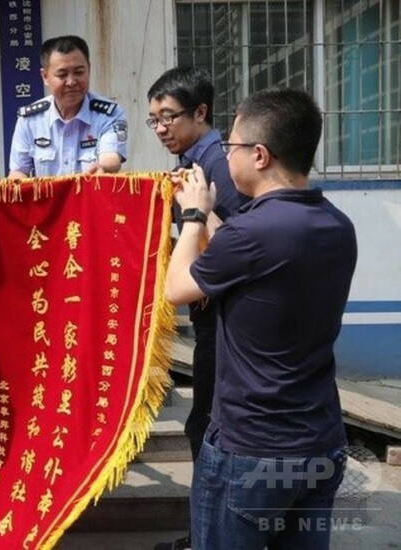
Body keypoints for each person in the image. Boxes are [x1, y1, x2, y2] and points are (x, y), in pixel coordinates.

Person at [164, 88, 357, 550]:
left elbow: (176, 288)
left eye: (230, 146)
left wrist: (192, 216)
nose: (226, 156)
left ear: (260, 155)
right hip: (319, 445)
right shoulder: (337, 225)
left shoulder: (253, 233)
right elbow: (250, 257)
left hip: (251, 450)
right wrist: (211, 214)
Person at [147, 67, 246, 550]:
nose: (161, 128)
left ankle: (209, 537)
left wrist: (194, 217)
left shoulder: (216, 167)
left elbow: (235, 244)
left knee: (207, 426)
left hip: (226, 319)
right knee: (204, 423)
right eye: (154, 120)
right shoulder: (193, 163)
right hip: (213, 314)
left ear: (201, 112)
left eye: (168, 117)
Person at [7, 35, 128, 178]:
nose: (71, 82)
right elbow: (19, 171)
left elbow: (111, 157)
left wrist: (103, 167)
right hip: (48, 194)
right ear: (45, 76)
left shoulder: (110, 114)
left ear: (89, 69)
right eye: (62, 74)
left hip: (90, 192)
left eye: (79, 72)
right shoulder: (29, 120)